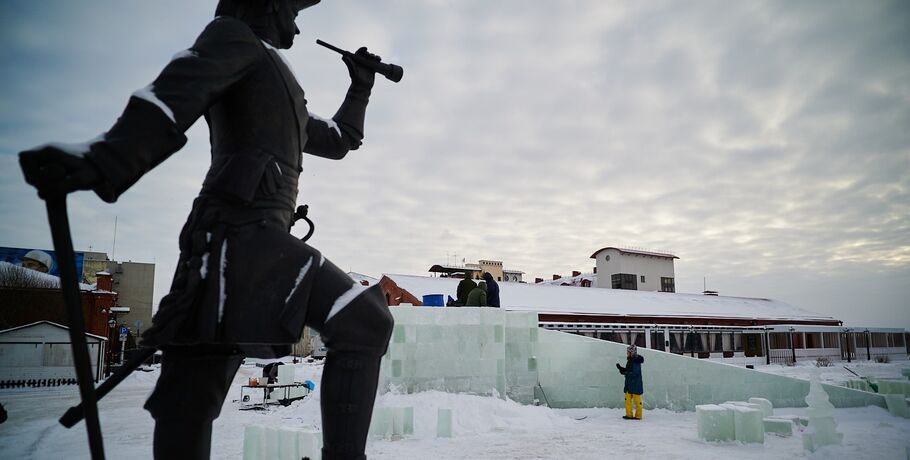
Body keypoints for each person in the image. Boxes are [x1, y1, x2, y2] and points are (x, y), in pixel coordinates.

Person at [18, 1, 394, 458]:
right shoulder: (233, 38)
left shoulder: (278, 77)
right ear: (268, 4)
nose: (297, 21)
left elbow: (336, 141)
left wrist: (360, 88)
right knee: (366, 320)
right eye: (293, 8)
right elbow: (170, 97)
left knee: (189, 399)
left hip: (242, 241)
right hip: (240, 234)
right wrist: (103, 160)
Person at [616, 344, 644, 420]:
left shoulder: (635, 362)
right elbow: (629, 371)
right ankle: (629, 415)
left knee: (637, 401)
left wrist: (624, 372)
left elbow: (635, 373)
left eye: (628, 352)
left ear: (631, 353)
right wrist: (621, 369)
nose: (627, 353)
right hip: (629, 384)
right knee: (627, 400)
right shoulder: (630, 360)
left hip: (635, 384)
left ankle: (638, 416)